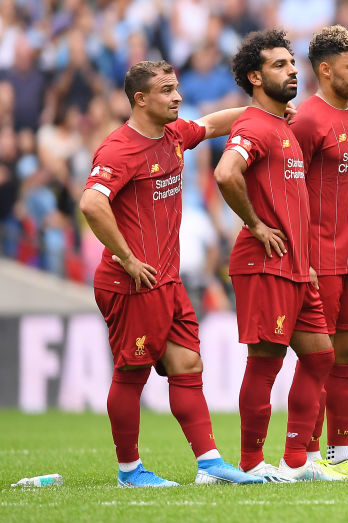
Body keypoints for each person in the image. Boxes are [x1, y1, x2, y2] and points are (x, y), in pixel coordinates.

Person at [80, 60, 261, 487]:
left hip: (166, 279)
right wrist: (126, 257)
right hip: (132, 281)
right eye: (167, 90)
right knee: (131, 373)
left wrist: (260, 114)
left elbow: (212, 124)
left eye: (177, 88)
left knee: (187, 363)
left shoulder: (174, 135)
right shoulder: (118, 149)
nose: (177, 96)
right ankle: (129, 471)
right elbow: (91, 203)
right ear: (141, 99)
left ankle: (210, 463)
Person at [213, 29, 340, 482]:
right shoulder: (254, 126)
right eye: (279, 65)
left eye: (291, 63)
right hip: (263, 261)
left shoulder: (281, 124)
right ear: (255, 76)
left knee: (321, 357)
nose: (291, 71)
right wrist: (255, 223)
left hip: (294, 265)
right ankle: (250, 463)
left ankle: (296, 461)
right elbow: (227, 173)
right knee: (266, 362)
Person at [290, 25, 348, 479]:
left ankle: (340, 454)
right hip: (317, 259)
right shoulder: (306, 120)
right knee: (317, 357)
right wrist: (300, 256)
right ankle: (304, 457)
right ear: (326, 71)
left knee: (347, 354)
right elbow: (291, 191)